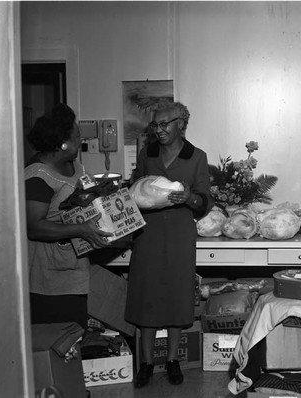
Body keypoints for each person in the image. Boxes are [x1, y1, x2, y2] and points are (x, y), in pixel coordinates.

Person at [125, 101, 214, 388]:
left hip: (179, 234)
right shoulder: (147, 153)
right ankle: (147, 363)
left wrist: (189, 198)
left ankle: (173, 360)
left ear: (181, 124)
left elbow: (204, 200)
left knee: (177, 294)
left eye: (165, 124)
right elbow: (137, 190)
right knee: (147, 295)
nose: (159, 130)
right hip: (147, 234)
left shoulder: (196, 157)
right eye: (155, 125)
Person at [25, 103, 112, 330]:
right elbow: (33, 227)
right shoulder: (38, 176)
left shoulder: (75, 166)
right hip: (48, 281)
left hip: (74, 273)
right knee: (56, 344)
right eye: (77, 137)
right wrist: (81, 229)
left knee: (75, 337)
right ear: (62, 143)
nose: (81, 141)